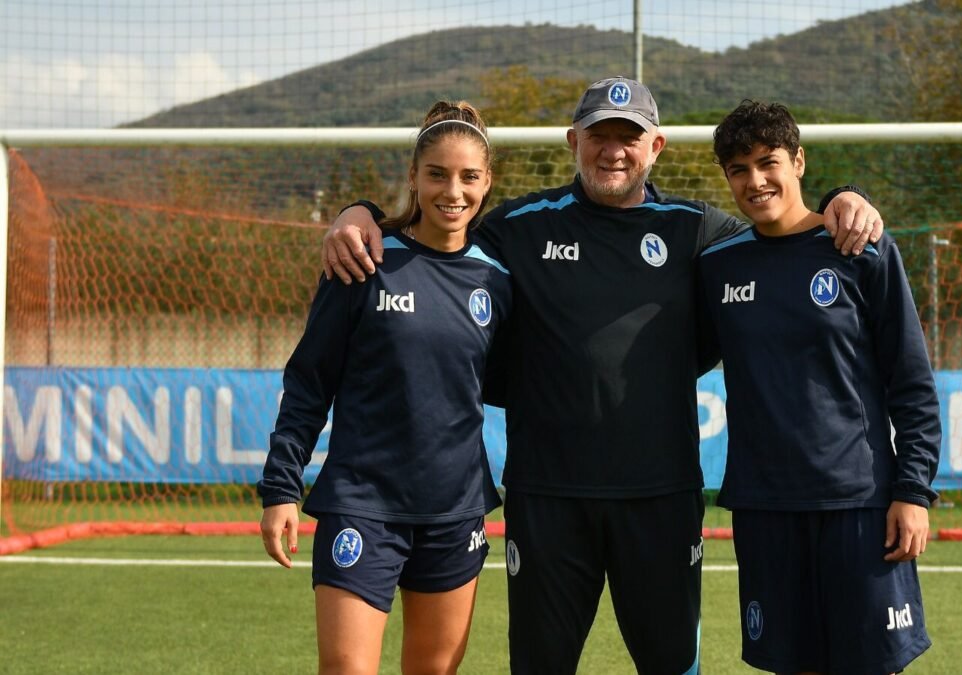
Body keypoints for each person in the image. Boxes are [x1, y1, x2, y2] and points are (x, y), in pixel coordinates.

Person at [322, 77, 884, 674]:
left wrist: (845, 197)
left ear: (656, 147)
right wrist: (361, 214)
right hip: (548, 499)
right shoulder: (520, 226)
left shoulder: (696, 229)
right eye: (599, 136)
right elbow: (437, 230)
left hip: (661, 498)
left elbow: (782, 228)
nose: (613, 151)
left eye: (629, 137)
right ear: (574, 141)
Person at [257, 101, 511, 675]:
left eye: (469, 176)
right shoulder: (362, 258)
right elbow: (309, 381)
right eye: (437, 174)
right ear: (413, 177)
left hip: (455, 509)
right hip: (362, 503)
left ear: (487, 182)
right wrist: (280, 488)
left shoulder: (498, 277)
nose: (453, 191)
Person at [697, 100, 940, 674]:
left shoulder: (862, 250)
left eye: (769, 162)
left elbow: (911, 381)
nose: (756, 181)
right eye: (738, 169)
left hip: (858, 502)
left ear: (799, 162)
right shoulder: (717, 266)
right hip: (764, 506)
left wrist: (913, 491)